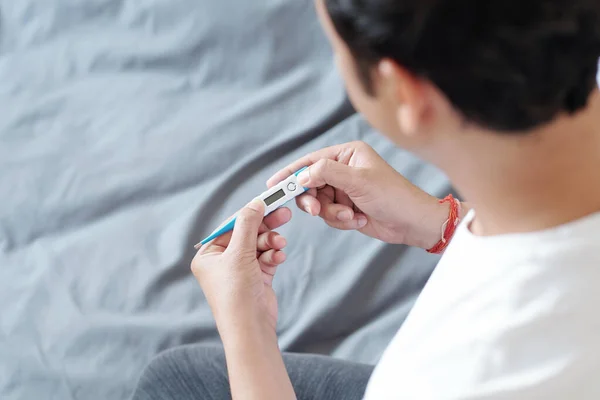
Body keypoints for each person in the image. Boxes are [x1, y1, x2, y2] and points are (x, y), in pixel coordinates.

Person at [132, 0, 600, 398]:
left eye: (334, 49)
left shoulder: (467, 376)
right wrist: (440, 223)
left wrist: (246, 326)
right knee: (176, 378)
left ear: (405, 92)